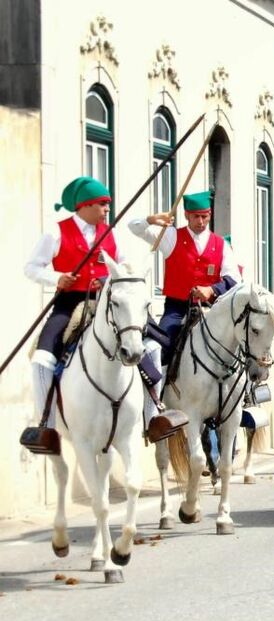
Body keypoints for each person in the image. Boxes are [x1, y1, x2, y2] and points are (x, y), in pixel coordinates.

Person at [22, 176, 179, 454]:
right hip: (70, 302)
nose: (107, 209)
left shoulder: (111, 233)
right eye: (102, 204)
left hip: (110, 304)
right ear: (85, 205)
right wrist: (58, 278)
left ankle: (153, 415)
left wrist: (112, 277)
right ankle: (47, 426)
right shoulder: (56, 233)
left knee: (154, 347)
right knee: (41, 359)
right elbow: (32, 268)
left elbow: (123, 268)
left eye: (108, 204)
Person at [129, 190, 241, 367]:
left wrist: (212, 289)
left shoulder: (222, 245)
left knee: (240, 345)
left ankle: (247, 382)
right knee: (159, 348)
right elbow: (134, 227)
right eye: (196, 216)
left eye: (204, 216)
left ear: (210, 215)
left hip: (211, 307)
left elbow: (234, 280)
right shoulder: (170, 236)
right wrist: (151, 220)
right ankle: (157, 382)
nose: (201, 221)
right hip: (177, 308)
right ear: (186, 215)